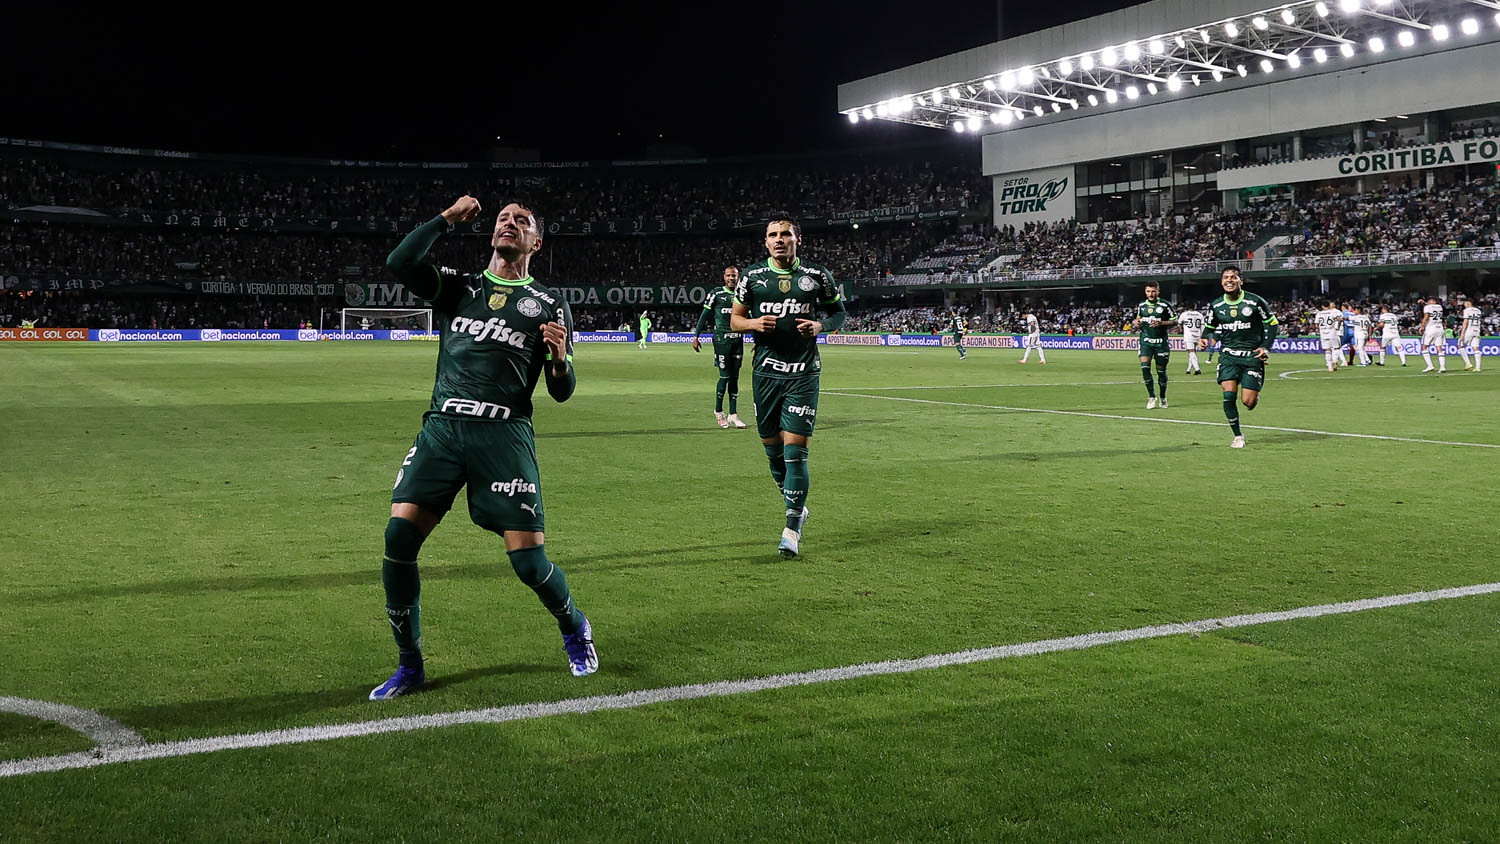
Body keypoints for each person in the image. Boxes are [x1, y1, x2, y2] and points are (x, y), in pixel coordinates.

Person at [371, 196, 597, 700]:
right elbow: (399, 263)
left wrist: (559, 361)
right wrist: (445, 220)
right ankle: (410, 665)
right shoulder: (461, 288)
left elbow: (560, 390)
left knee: (529, 564)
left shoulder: (548, 303)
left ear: (536, 242)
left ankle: (574, 627)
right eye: (503, 218)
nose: (508, 224)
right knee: (398, 540)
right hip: (444, 429)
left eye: (521, 221)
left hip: (504, 435)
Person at [729, 211, 846, 559]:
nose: (779, 239)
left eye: (785, 234)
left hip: (803, 373)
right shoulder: (751, 277)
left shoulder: (817, 277)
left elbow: (838, 312)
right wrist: (752, 323)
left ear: (798, 239)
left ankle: (792, 527)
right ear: (765, 242)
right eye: (773, 235)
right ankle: (796, 503)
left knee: (795, 453)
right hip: (765, 374)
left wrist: (820, 327)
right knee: (773, 451)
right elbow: (734, 320)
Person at [1199, 267, 1278, 449]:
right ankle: (1237, 435)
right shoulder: (1217, 305)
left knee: (1248, 402)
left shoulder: (1255, 301)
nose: (1229, 280)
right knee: (1228, 396)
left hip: (1251, 356)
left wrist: (1265, 347)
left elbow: (1272, 324)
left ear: (1240, 281)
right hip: (1228, 356)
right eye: (1226, 277)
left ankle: (1253, 398)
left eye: (1233, 277)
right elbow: (1209, 326)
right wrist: (1204, 337)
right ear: (1221, 281)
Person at [693, 266, 748, 428]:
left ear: (738, 277)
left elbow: (750, 317)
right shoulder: (716, 293)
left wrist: (759, 339)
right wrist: (696, 335)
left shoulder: (742, 294)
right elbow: (704, 315)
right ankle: (718, 411)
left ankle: (733, 414)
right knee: (725, 377)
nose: (732, 278)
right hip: (721, 341)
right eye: (729, 275)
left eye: (734, 276)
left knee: (735, 378)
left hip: (738, 341)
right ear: (724, 277)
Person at [1134, 282, 1177, 409]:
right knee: (1145, 368)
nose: (1151, 294)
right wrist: (1137, 323)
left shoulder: (1165, 305)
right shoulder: (1142, 305)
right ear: (1145, 292)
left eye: (1153, 291)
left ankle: (1163, 397)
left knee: (1161, 372)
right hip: (1145, 341)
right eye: (1148, 291)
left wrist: (1161, 323)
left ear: (1158, 291)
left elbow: (1175, 320)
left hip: (1161, 343)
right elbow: (1138, 319)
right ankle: (1151, 397)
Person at [1314, 300, 1344, 373]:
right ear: (1329, 305)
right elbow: (1340, 319)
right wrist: (1338, 326)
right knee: (1336, 347)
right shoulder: (1332, 312)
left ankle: (1330, 367)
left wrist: (1320, 328)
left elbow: (1316, 325)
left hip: (1323, 332)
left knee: (1327, 350)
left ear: (1322, 306)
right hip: (1332, 331)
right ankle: (1335, 361)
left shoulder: (1318, 314)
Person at [1418, 297, 1446, 373]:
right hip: (1440, 328)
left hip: (1431, 329)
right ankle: (1442, 367)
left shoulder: (1427, 307)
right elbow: (1432, 306)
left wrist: (1422, 326)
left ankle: (1430, 366)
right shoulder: (1439, 307)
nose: (1428, 302)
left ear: (1432, 301)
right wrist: (1424, 302)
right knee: (1439, 348)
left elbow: (1426, 316)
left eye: (1429, 300)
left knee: (1424, 347)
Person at [1178, 305, 1205, 375]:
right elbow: (1203, 326)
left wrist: (1180, 329)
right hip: (1198, 334)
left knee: (1191, 352)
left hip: (1189, 335)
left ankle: (1197, 369)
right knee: (1193, 353)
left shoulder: (1184, 314)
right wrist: (1202, 337)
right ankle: (1188, 369)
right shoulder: (1200, 314)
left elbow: (1179, 323)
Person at [1459, 298, 1483, 372]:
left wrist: (1462, 333)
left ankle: (1468, 363)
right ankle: (1478, 367)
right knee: (1476, 348)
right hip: (1477, 330)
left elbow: (1465, 322)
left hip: (1469, 331)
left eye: (1465, 303)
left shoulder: (1467, 310)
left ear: (1468, 303)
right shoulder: (1478, 311)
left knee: (1460, 345)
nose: (1464, 304)